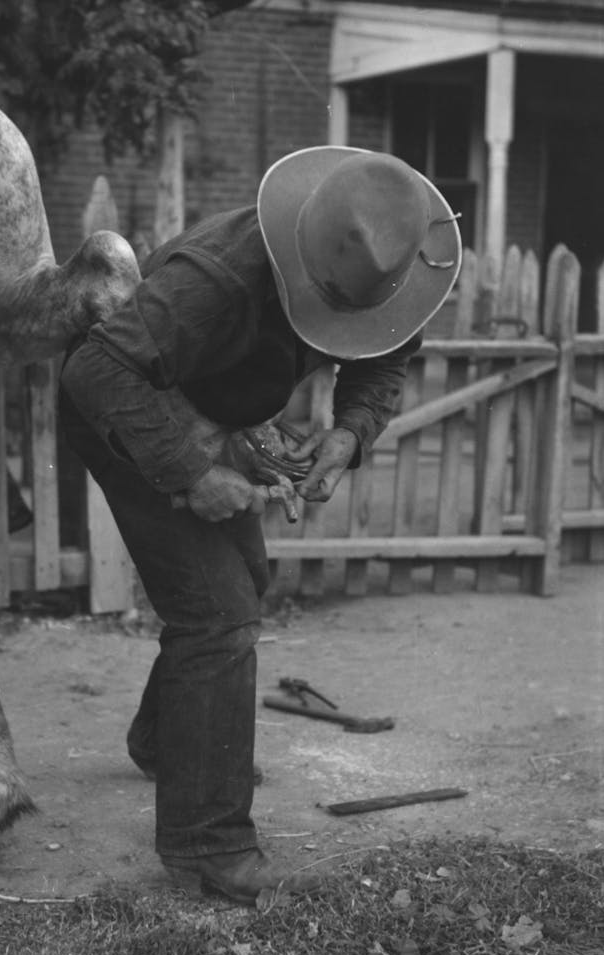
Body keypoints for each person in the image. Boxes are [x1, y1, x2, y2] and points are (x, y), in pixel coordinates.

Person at [59, 146, 461, 905]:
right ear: (299, 262)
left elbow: (387, 351)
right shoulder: (214, 281)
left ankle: (166, 742)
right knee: (216, 615)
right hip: (123, 410)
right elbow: (94, 373)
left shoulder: (398, 257)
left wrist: (349, 433)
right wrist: (192, 473)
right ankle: (207, 848)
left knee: (241, 585)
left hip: (212, 411)